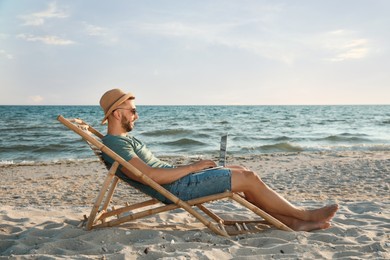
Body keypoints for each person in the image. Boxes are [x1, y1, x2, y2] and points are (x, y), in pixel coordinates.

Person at [99, 88, 339, 232]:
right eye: (132, 111)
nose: (136, 115)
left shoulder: (121, 141)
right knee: (248, 177)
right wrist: (193, 167)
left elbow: (151, 173)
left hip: (177, 182)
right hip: (176, 188)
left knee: (241, 171)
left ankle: (291, 221)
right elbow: (150, 176)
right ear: (117, 113)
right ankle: (303, 215)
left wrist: (193, 168)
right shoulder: (116, 143)